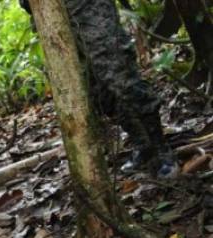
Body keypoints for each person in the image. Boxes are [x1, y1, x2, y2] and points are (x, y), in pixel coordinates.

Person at [20, 0, 178, 178]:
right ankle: (143, 144)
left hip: (88, 7)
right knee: (96, 92)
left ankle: (161, 148)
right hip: (50, 17)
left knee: (120, 76)